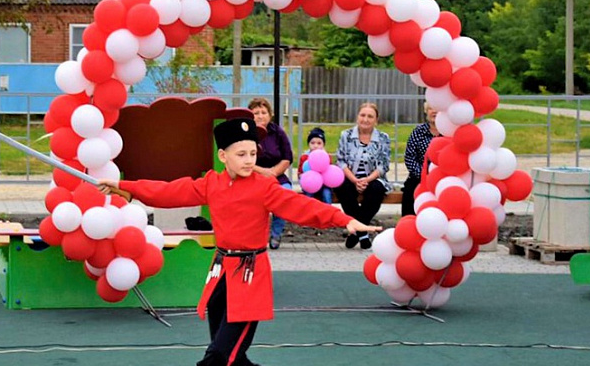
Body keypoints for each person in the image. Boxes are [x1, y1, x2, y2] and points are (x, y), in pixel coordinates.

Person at [97, 118, 379, 366]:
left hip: (249, 275)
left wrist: (344, 220)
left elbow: (302, 206)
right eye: (241, 154)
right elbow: (170, 192)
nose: (248, 160)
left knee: (219, 356)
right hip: (220, 271)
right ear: (223, 156)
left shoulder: (265, 187)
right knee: (232, 354)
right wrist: (127, 187)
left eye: (253, 153)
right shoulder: (211, 183)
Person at [334, 102, 392, 250]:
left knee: (376, 190)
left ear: (376, 120)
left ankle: (356, 231)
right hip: (350, 177)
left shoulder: (383, 138)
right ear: (357, 117)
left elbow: (383, 165)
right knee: (343, 187)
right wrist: (354, 180)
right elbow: (341, 161)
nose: (365, 119)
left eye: (370, 116)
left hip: (372, 178)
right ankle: (363, 233)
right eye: (363, 115)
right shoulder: (346, 135)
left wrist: (366, 180)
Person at [248, 98, 293, 250]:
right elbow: (243, 160)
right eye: (256, 113)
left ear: (270, 115)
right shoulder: (247, 133)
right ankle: (255, 236)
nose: (260, 116)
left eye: (263, 112)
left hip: (277, 175)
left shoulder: (277, 132)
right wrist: (263, 172)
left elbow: (287, 158)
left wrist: (273, 172)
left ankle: (276, 234)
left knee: (285, 193)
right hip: (252, 175)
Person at [402, 102, 440, 216]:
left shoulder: (449, 132)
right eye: (430, 109)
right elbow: (409, 157)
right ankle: (408, 225)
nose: (434, 111)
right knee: (410, 190)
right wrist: (423, 175)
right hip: (420, 175)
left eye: (437, 108)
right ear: (426, 112)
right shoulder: (418, 132)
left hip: (442, 176)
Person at [298, 127, 332, 204]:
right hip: (310, 185)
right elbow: (300, 173)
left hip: (324, 185)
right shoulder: (305, 157)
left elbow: (329, 173)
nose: (315, 146)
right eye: (312, 143)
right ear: (308, 144)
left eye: (319, 143)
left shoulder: (327, 157)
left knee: (327, 195)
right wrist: (304, 178)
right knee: (308, 197)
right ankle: (308, 214)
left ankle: (327, 214)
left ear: (323, 145)